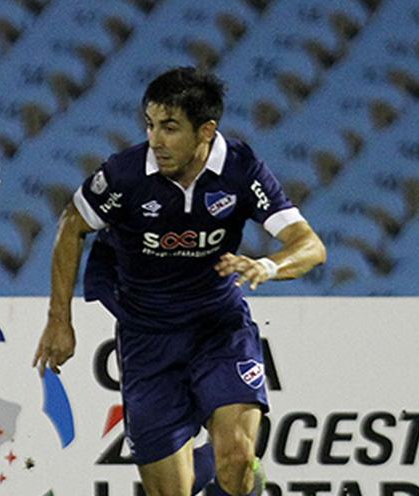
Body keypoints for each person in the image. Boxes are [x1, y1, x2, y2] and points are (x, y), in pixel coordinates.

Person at [32, 67, 326, 496]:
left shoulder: (241, 170)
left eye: (169, 128)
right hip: (147, 338)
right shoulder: (125, 175)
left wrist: (269, 266)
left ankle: (233, 475)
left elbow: (310, 245)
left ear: (205, 130)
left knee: (238, 458)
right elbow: (72, 224)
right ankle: (204, 463)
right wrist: (60, 319)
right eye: (150, 125)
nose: (155, 139)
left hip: (218, 327)